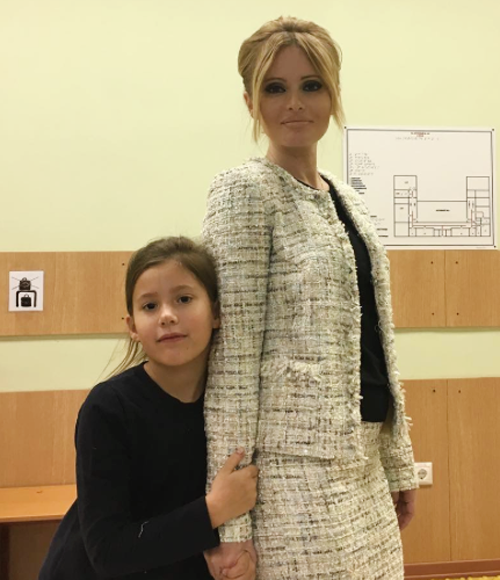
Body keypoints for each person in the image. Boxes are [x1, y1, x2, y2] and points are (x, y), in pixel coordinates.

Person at [202, 16, 418, 580]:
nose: (295, 103)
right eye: (275, 88)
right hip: (292, 475)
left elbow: (379, 345)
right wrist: (230, 526)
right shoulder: (245, 192)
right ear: (251, 102)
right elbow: (232, 361)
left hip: (367, 461)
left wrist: (398, 462)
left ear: (333, 93)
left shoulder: (352, 202)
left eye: (311, 85)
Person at [38, 236, 258, 580]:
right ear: (132, 327)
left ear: (216, 313)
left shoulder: (234, 404)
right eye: (150, 306)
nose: (167, 316)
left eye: (183, 299)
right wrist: (214, 510)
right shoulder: (108, 409)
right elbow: (108, 553)